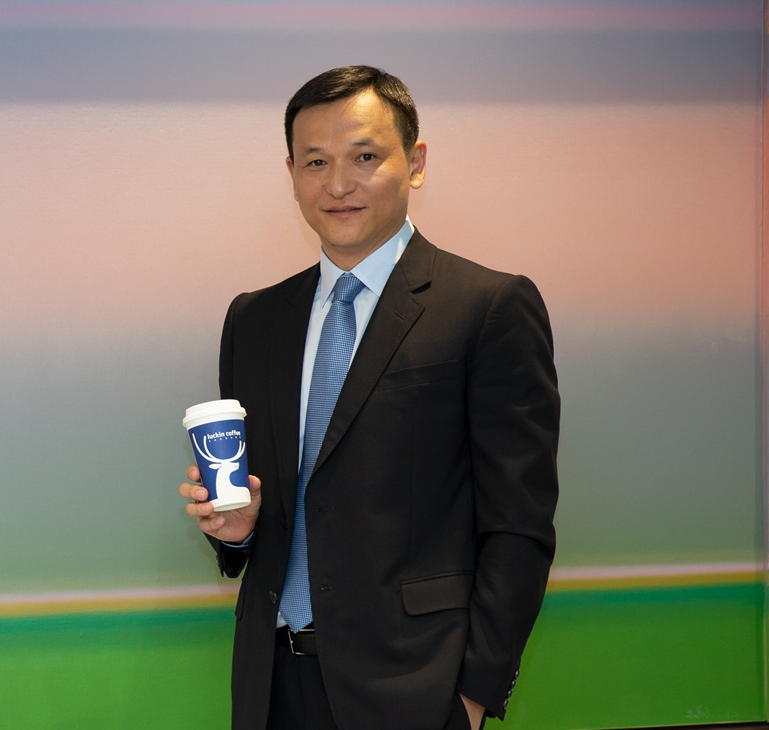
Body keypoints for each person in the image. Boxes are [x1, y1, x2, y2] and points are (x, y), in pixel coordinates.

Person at [178, 65, 559, 730]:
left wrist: (471, 696)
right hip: (270, 686)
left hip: (417, 688)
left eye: (364, 157)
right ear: (291, 172)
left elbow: (518, 523)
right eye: (315, 161)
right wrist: (238, 532)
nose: (337, 184)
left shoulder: (487, 307)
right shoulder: (255, 320)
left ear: (415, 162)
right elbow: (272, 504)